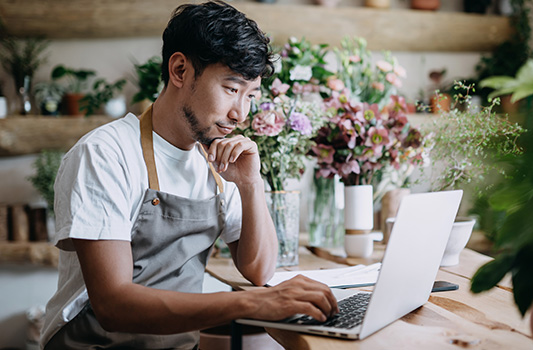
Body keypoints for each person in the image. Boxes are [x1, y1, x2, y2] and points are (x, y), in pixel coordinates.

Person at [40, 1, 338, 349]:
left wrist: (250, 184)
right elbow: (113, 305)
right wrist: (254, 303)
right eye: (231, 88)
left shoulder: (217, 158)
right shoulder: (106, 154)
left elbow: (259, 271)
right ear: (180, 70)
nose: (241, 113)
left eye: (251, 95)